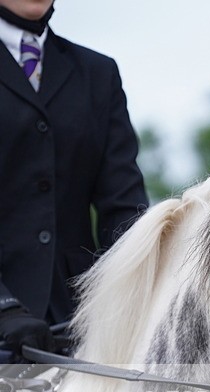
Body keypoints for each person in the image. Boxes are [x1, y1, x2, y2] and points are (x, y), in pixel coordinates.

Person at [0, 0, 148, 357]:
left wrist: (130, 303)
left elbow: (124, 212)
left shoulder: (97, 74)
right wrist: (4, 307)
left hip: (74, 324)